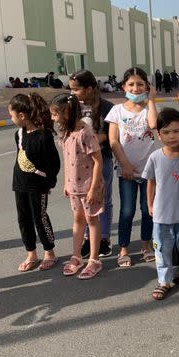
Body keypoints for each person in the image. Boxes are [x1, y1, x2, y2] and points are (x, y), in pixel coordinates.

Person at [143, 108, 179, 300]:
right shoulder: (155, 157)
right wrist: (150, 205)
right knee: (162, 250)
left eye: (176, 131)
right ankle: (164, 281)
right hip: (161, 215)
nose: (171, 136)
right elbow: (150, 182)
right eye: (166, 132)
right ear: (159, 135)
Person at [106, 67, 158, 267]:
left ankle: (146, 245)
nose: (136, 88)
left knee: (147, 210)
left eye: (140, 84)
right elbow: (113, 141)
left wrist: (151, 100)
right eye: (131, 84)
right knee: (127, 211)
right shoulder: (116, 111)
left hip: (148, 171)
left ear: (147, 86)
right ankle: (124, 248)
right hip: (126, 171)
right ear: (124, 86)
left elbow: (153, 125)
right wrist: (125, 165)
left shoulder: (148, 110)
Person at [50, 94, 104, 279]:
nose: (53, 118)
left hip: (89, 186)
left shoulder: (85, 133)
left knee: (92, 221)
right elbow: (67, 160)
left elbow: (98, 161)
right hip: (74, 187)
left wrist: (93, 188)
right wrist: (66, 182)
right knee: (78, 219)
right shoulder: (65, 133)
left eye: (55, 114)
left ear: (66, 112)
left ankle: (94, 260)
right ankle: (77, 256)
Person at [8, 93, 60, 272]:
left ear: (22, 115)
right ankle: (31, 253)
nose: (11, 118)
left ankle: (49, 252)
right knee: (23, 219)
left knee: (40, 217)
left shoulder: (43, 136)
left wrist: (49, 183)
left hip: (38, 186)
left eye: (12, 115)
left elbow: (53, 163)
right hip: (20, 184)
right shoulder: (19, 134)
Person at [69, 70, 115, 259]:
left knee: (103, 199)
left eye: (76, 89)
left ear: (89, 89)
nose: (73, 93)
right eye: (71, 89)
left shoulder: (106, 107)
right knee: (84, 201)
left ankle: (104, 238)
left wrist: (93, 140)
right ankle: (88, 238)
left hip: (101, 159)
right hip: (79, 164)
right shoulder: (72, 107)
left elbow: (111, 134)